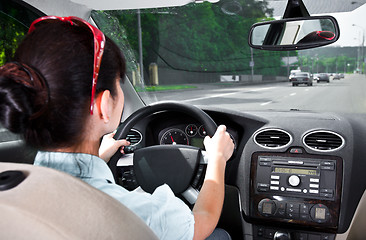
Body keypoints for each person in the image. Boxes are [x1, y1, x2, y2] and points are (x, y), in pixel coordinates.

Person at [0, 16, 234, 240]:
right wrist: (217, 160)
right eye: (119, 83)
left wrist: (98, 156)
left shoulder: (14, 187)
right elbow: (202, 221)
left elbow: (67, 180)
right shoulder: (135, 213)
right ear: (103, 106)